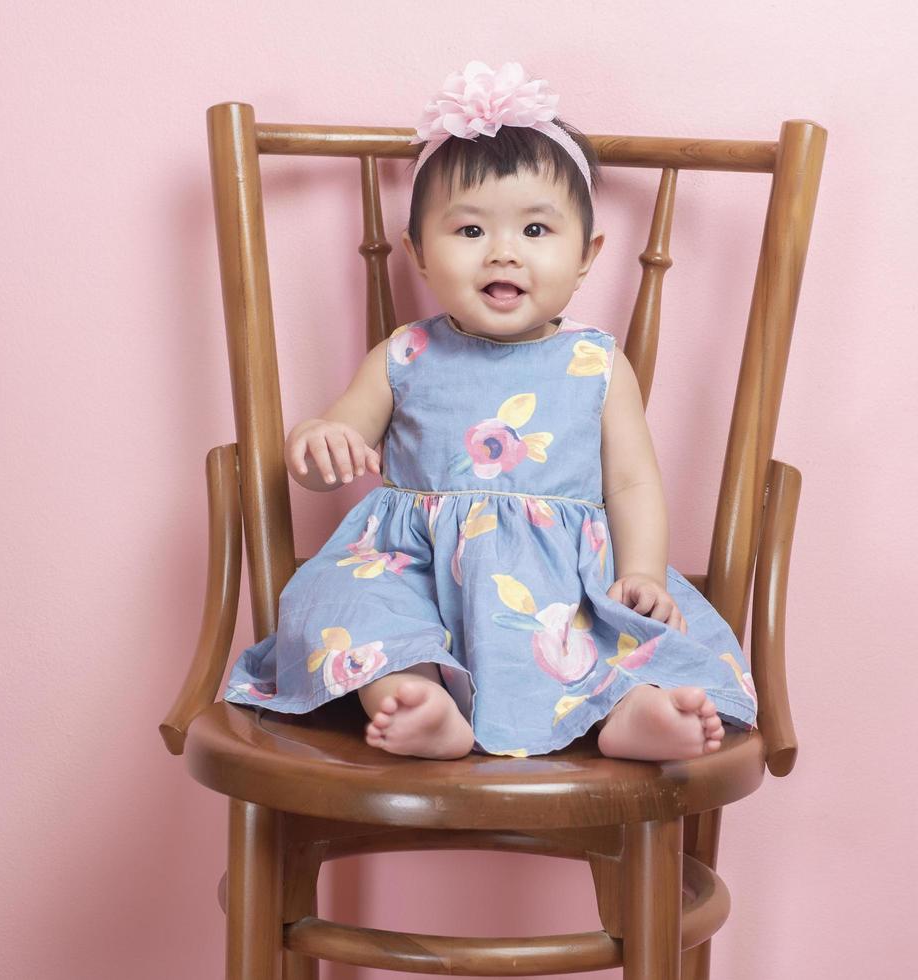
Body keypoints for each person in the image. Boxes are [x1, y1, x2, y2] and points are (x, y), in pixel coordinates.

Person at [224, 61, 757, 761]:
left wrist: (645, 573)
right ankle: (415, 699)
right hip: (411, 573)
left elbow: (630, 483)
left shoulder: (595, 363)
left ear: (588, 254)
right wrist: (320, 441)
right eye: (470, 231)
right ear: (418, 253)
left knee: (610, 635)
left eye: (537, 231)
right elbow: (338, 442)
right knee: (337, 604)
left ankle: (631, 714)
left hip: (556, 588)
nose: (503, 251)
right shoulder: (405, 354)